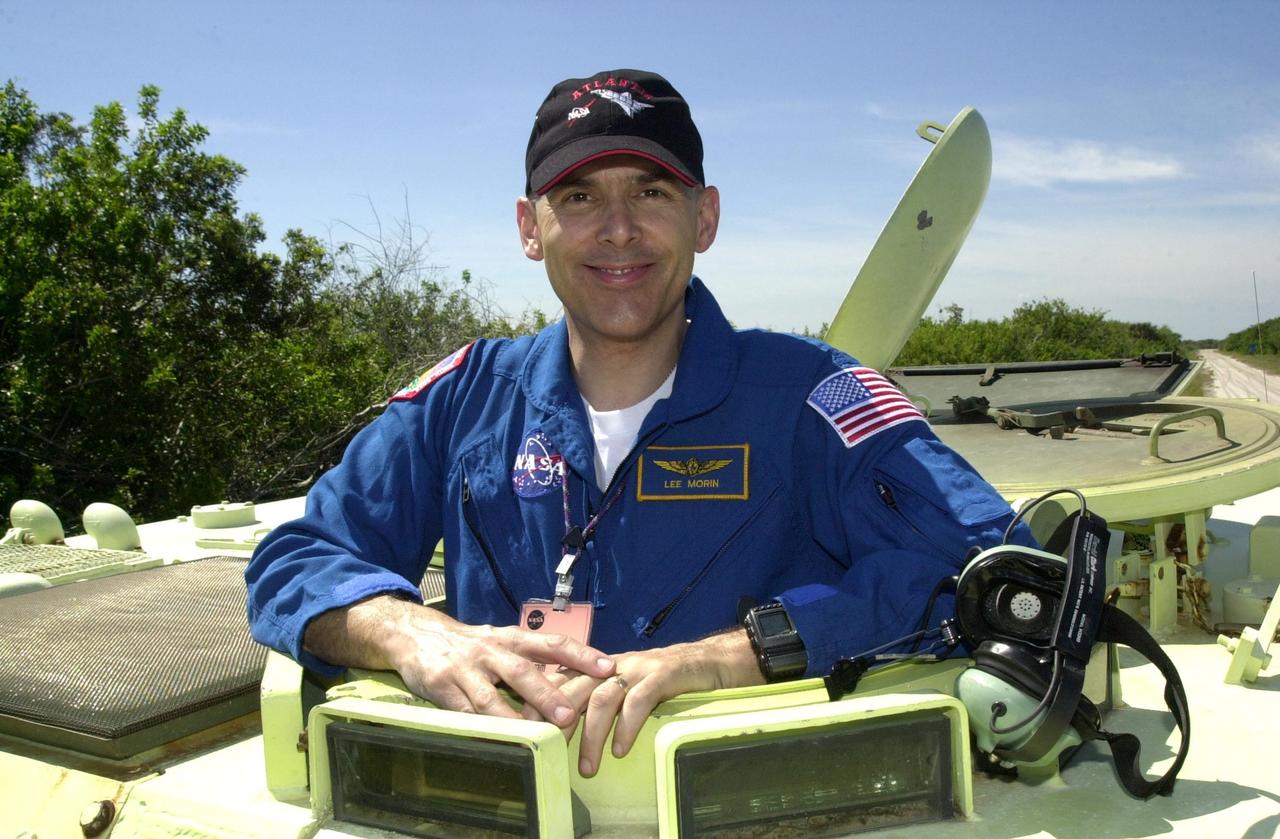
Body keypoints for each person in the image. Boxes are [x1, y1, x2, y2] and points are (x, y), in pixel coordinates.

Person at [245, 68, 1026, 779]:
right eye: (579, 197)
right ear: (529, 227)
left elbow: (1001, 567)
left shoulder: (812, 396)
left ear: (705, 216)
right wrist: (410, 631)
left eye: (651, 191)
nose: (617, 229)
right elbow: (295, 560)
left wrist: (743, 652)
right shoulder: (463, 401)